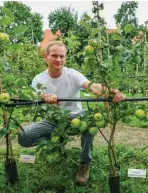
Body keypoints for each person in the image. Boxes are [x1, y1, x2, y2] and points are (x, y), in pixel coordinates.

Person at [18, 41, 126, 185]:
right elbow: (36, 96)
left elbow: (92, 87)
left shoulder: (72, 74)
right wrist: (44, 97)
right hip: (53, 121)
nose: (58, 59)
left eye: (61, 56)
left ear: (65, 58)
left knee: (90, 120)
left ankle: (84, 162)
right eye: (54, 55)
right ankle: (55, 144)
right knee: (24, 137)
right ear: (46, 57)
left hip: (76, 118)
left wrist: (112, 92)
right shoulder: (39, 79)